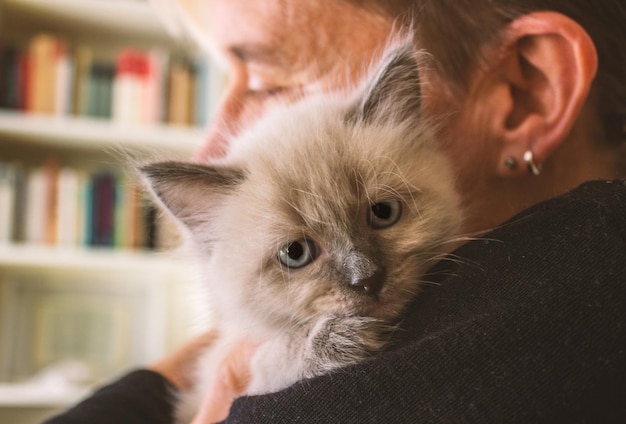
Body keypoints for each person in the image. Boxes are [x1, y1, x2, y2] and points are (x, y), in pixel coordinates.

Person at [45, 0, 626, 422]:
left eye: (270, 83)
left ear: (527, 90)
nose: (213, 139)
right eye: (297, 252)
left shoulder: (584, 276)